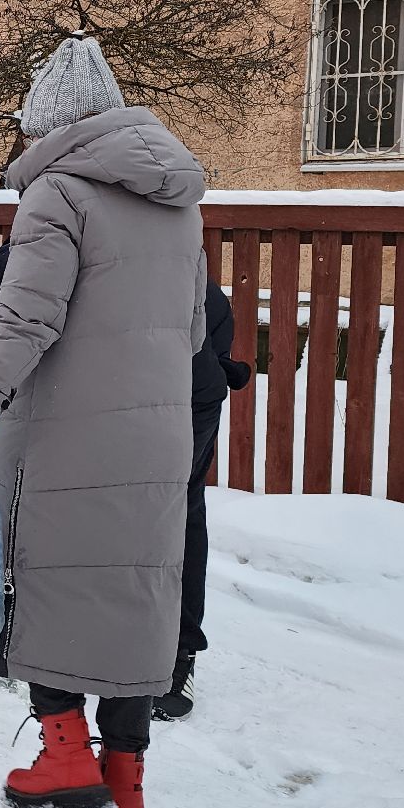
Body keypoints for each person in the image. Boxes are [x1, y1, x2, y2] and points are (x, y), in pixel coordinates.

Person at [0, 34, 207, 808]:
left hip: (66, 437)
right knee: (132, 601)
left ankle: (65, 757)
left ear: (50, 124)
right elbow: (189, 334)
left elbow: (21, 327)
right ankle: (126, 787)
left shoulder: (57, 194)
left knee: (46, 584)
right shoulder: (178, 205)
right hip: (157, 439)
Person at [0, 246, 253, 721]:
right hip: (115, 368)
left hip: (185, 377)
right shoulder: (4, 274)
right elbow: (6, 366)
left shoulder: (113, 271)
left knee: (168, 512)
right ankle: (20, 622)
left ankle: (175, 656)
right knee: (49, 493)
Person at [158, 280, 251, 721]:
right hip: (139, 388)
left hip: (190, 391)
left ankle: (177, 658)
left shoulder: (173, 255)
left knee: (172, 511)